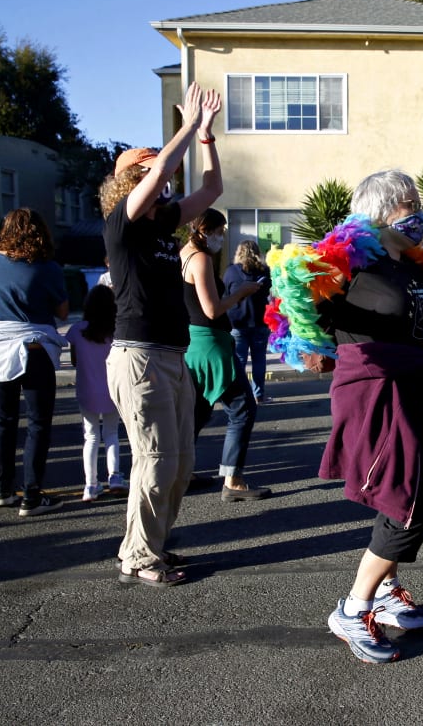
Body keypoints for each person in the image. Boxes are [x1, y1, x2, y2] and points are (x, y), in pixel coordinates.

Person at [320, 170, 423, 664]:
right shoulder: (350, 261)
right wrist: (315, 346)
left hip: (417, 388)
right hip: (377, 393)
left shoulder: (413, 262)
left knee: (403, 493)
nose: (416, 210)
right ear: (379, 212)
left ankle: (385, 589)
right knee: (408, 507)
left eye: (415, 200)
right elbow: (298, 306)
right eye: (407, 202)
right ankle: (353, 609)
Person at [100, 82, 223, 587]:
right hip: (139, 357)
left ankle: (148, 546)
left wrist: (207, 138)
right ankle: (139, 555)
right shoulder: (122, 225)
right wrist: (185, 129)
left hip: (172, 356)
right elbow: (159, 176)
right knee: (155, 461)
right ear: (131, 181)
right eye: (151, 171)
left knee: (181, 464)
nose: (165, 179)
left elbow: (212, 191)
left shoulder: (164, 226)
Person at [0, 208, 68, 515]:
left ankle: (3, 490)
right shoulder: (47, 268)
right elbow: (64, 312)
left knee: (3, 421)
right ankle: (32, 494)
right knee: (38, 424)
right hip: (34, 350)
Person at [181, 210, 269, 501]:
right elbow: (212, 309)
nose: (222, 237)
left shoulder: (182, 254)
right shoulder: (201, 258)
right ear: (207, 229)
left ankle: (183, 473)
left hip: (195, 342)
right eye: (220, 231)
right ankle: (233, 480)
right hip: (212, 344)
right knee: (243, 408)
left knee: (198, 410)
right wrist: (241, 293)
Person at [65, 284, 127, 501]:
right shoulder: (117, 331)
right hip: (112, 390)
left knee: (90, 436)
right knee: (111, 433)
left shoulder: (77, 330)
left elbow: (74, 360)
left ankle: (91, 485)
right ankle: (115, 476)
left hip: (87, 391)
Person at [223, 240, 271, 403]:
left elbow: (225, 293)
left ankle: (239, 395)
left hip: (237, 322)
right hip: (260, 321)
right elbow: (267, 292)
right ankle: (259, 395)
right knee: (259, 360)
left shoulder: (230, 272)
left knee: (239, 360)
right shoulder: (264, 271)